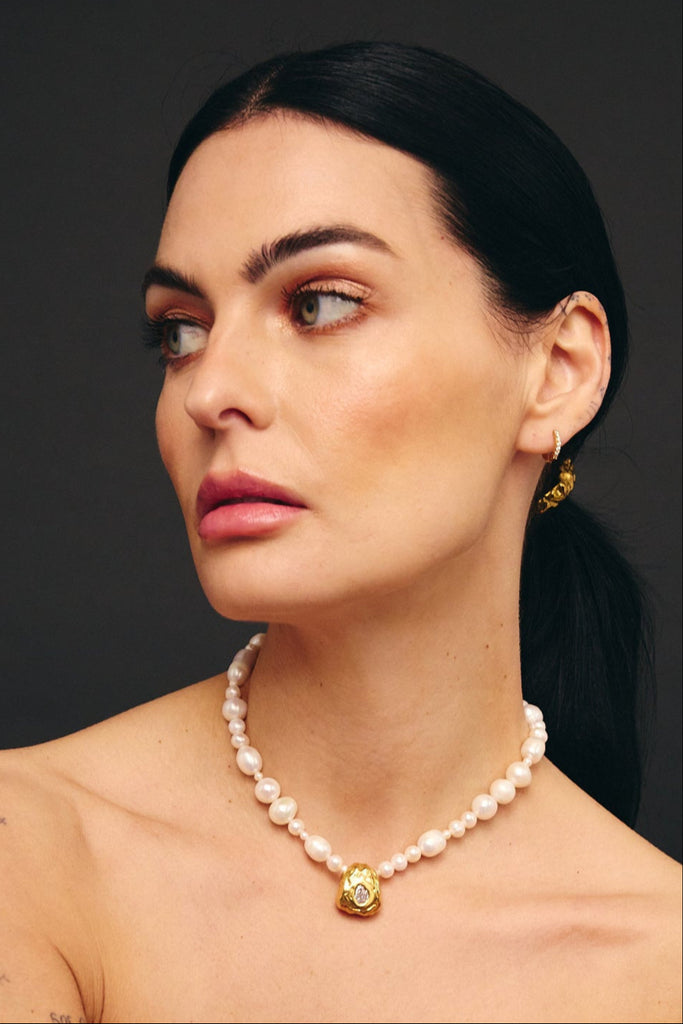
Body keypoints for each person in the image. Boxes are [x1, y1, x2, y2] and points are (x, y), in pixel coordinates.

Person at [1, 41, 680, 1024]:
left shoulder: (657, 957)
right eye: (180, 330)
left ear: (557, 371)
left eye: (317, 304)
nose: (209, 391)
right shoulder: (32, 849)